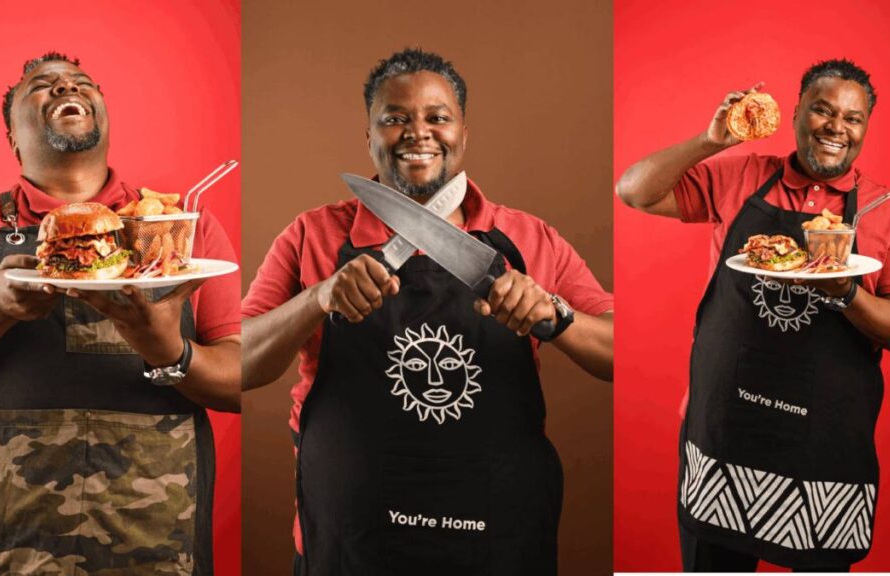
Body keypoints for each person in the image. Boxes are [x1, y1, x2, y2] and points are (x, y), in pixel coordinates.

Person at [242, 48, 614, 575]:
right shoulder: (311, 235)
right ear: (368, 136)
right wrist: (317, 299)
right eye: (395, 119)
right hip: (354, 533)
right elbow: (239, 363)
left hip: (496, 530)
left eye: (437, 117)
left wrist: (557, 316)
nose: (418, 133)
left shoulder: (528, 237)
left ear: (463, 132)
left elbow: (623, 350)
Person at [0, 52, 240, 574]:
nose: (67, 87)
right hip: (1, 537)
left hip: (152, 530)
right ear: (13, 138)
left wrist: (168, 351)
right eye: (42, 86)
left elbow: (242, 380)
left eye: (83, 83)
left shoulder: (174, 228)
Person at [617, 59, 890, 571]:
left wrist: (847, 291)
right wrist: (711, 140)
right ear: (796, 114)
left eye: (852, 119)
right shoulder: (742, 176)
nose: (836, 127)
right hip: (726, 431)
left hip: (822, 448)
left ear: (865, 128)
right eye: (822, 111)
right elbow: (634, 191)